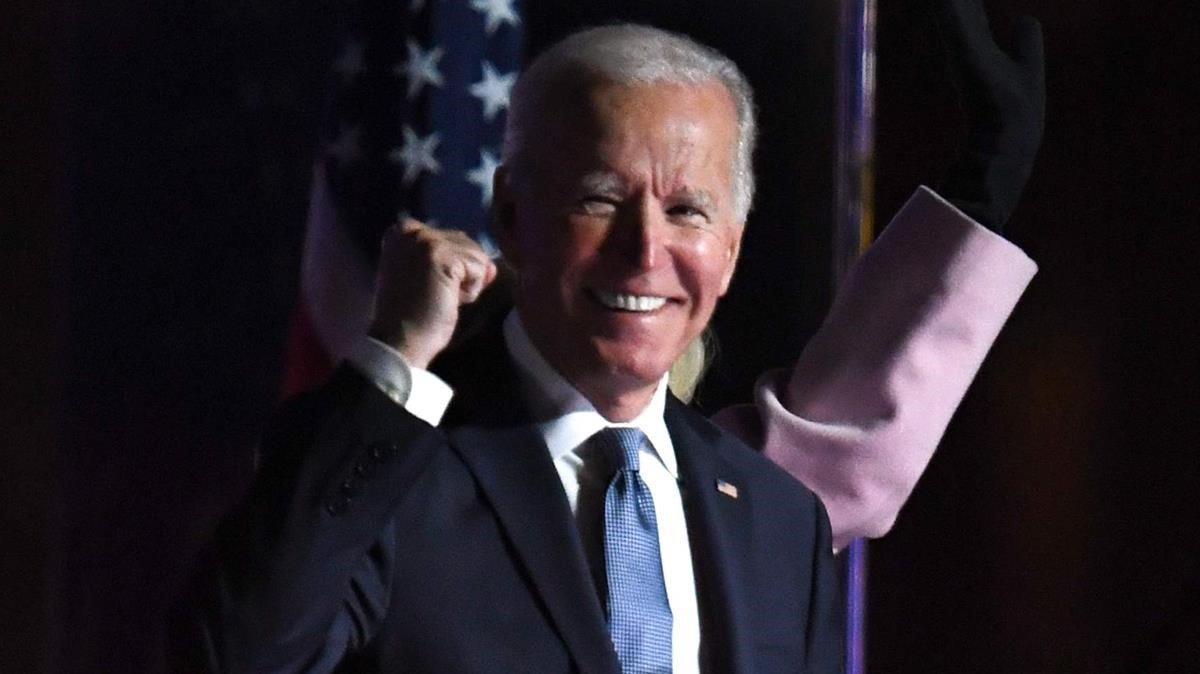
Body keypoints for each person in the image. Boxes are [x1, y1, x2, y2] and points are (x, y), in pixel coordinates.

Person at [178, 5, 1043, 672]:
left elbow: (851, 439)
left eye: (687, 211)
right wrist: (395, 364)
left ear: (732, 249)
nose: (645, 251)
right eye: (600, 199)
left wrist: (976, 193)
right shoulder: (389, 472)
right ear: (513, 218)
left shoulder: (776, 522)